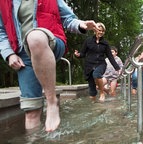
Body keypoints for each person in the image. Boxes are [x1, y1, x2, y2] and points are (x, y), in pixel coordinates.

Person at [0, 0, 99, 132]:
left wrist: (81, 24)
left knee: (34, 37)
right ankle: (34, 139)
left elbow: (68, 18)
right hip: (24, 54)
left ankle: (52, 102)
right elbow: (1, 31)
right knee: (31, 112)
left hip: (52, 41)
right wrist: (9, 54)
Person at [74, 22, 121, 102]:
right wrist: (78, 55)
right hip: (89, 65)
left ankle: (102, 93)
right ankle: (94, 105)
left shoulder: (105, 43)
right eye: (99, 30)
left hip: (101, 64)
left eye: (102, 31)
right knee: (92, 91)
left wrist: (117, 68)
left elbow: (110, 56)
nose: (101, 32)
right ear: (95, 30)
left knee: (97, 74)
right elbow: (83, 53)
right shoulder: (88, 41)